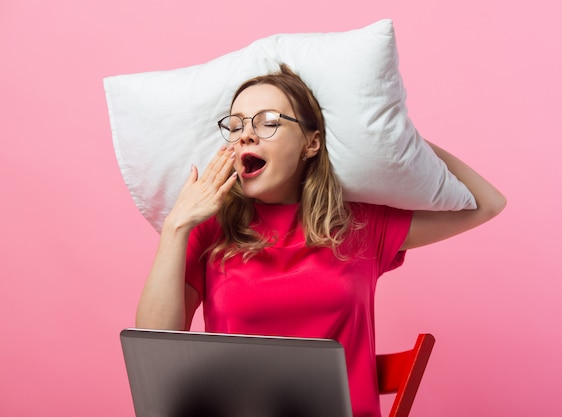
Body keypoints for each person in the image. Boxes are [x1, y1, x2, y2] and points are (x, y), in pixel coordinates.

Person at [135, 64, 506, 417]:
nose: (246, 133)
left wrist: (395, 137)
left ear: (311, 144)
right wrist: (177, 226)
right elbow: (154, 350)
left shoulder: (359, 224)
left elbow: (487, 204)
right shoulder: (212, 229)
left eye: (268, 122)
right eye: (236, 125)